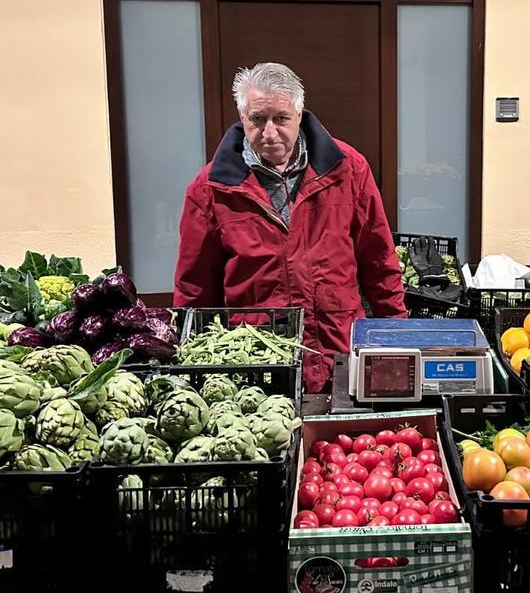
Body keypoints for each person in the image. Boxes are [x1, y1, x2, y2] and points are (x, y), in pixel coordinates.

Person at [174, 62, 406, 392]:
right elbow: (195, 290)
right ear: (242, 117)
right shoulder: (210, 189)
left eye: (281, 118)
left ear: (299, 115)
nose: (269, 133)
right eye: (257, 119)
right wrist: (190, 369)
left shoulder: (348, 169)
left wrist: (396, 338)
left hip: (338, 351)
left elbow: (380, 262)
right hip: (256, 364)